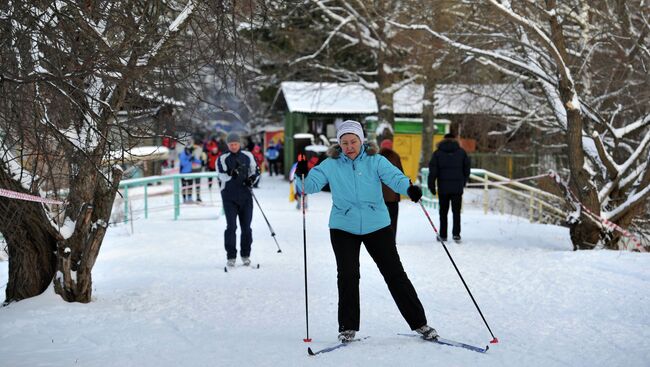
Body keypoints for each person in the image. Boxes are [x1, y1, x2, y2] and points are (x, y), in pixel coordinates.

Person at [295, 120, 438, 343]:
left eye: (353, 141)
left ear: (361, 140)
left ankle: (420, 323)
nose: (349, 146)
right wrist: (301, 174)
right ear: (339, 144)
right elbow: (308, 186)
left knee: (394, 274)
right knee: (348, 275)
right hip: (343, 226)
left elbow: (395, 178)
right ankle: (347, 327)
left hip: (377, 225)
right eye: (344, 142)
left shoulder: (376, 160)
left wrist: (409, 188)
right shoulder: (331, 164)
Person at [217, 132, 260, 267]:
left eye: (235, 144)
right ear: (228, 145)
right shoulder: (223, 158)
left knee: (246, 227)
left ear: (239, 144)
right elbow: (220, 175)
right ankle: (231, 256)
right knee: (231, 226)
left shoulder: (248, 155)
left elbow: (255, 170)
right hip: (229, 197)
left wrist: (251, 179)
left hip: (246, 196)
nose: (234, 146)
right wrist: (230, 173)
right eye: (231, 144)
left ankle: (245, 254)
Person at [427, 133, 471, 243]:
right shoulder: (461, 153)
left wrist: (431, 185)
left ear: (444, 140)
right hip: (457, 188)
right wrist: (463, 181)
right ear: (454, 140)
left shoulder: (437, 154)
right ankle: (456, 234)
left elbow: (433, 172)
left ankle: (443, 235)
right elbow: (467, 169)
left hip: (443, 188)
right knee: (456, 212)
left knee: (443, 212)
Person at [378, 139, 404, 243]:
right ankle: (392, 239)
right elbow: (400, 174)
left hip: (379, 195)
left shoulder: (376, 157)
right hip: (393, 195)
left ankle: (381, 238)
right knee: (393, 218)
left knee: (380, 219)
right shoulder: (395, 156)